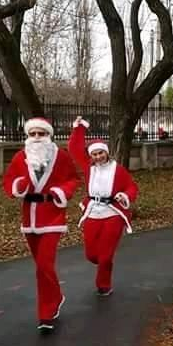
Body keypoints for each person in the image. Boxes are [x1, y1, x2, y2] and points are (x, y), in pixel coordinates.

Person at [3, 117, 80, 333]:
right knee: (40, 267)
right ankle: (55, 298)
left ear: (49, 135)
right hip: (30, 218)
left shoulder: (61, 156)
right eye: (32, 134)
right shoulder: (21, 157)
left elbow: (73, 179)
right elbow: (9, 181)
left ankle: (46, 313)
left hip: (53, 216)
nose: (37, 138)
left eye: (41, 134)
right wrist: (19, 185)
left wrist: (61, 191)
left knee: (44, 265)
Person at [68, 116, 138, 296]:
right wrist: (79, 128)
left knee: (105, 256)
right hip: (93, 211)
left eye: (101, 153)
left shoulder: (118, 169)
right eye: (94, 154)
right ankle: (103, 264)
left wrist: (125, 195)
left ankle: (103, 285)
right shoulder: (88, 167)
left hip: (112, 213)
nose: (98, 157)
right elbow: (74, 149)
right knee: (92, 255)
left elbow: (131, 187)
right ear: (90, 156)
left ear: (107, 152)